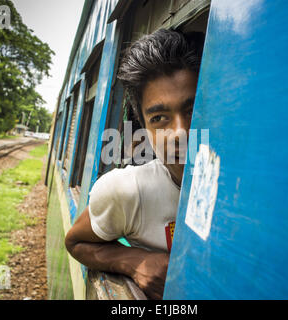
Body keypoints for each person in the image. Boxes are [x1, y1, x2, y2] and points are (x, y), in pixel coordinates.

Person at [65, 29, 204, 300]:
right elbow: (75, 241)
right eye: (160, 118)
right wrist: (133, 260)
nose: (181, 131)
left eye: (194, 109)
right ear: (144, 130)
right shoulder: (127, 190)